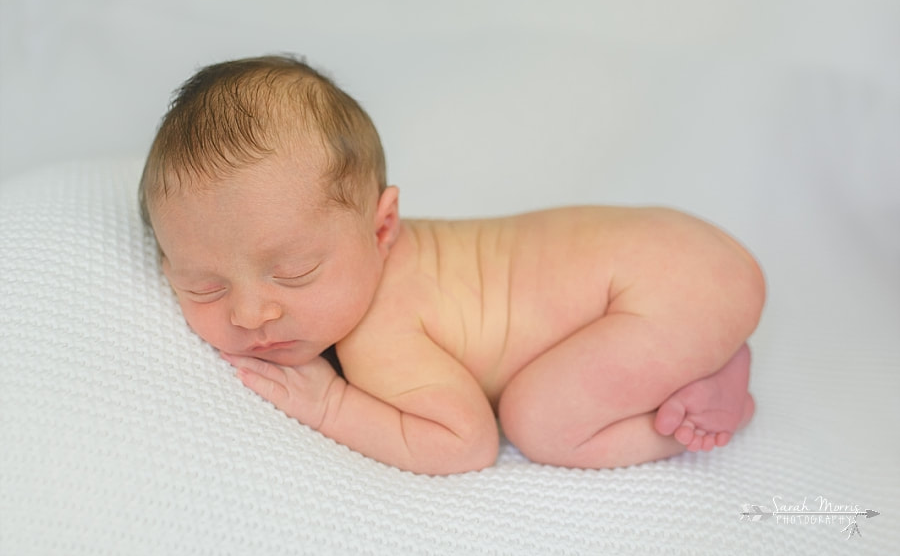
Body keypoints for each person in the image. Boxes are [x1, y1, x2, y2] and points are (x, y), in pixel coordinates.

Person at [139, 55, 765, 475]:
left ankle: (706, 414)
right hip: (679, 249)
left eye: (296, 271)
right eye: (204, 285)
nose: (251, 313)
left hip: (663, 289)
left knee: (541, 422)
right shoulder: (362, 258)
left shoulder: (379, 330)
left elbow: (465, 444)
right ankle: (709, 357)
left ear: (383, 228)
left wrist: (330, 406)